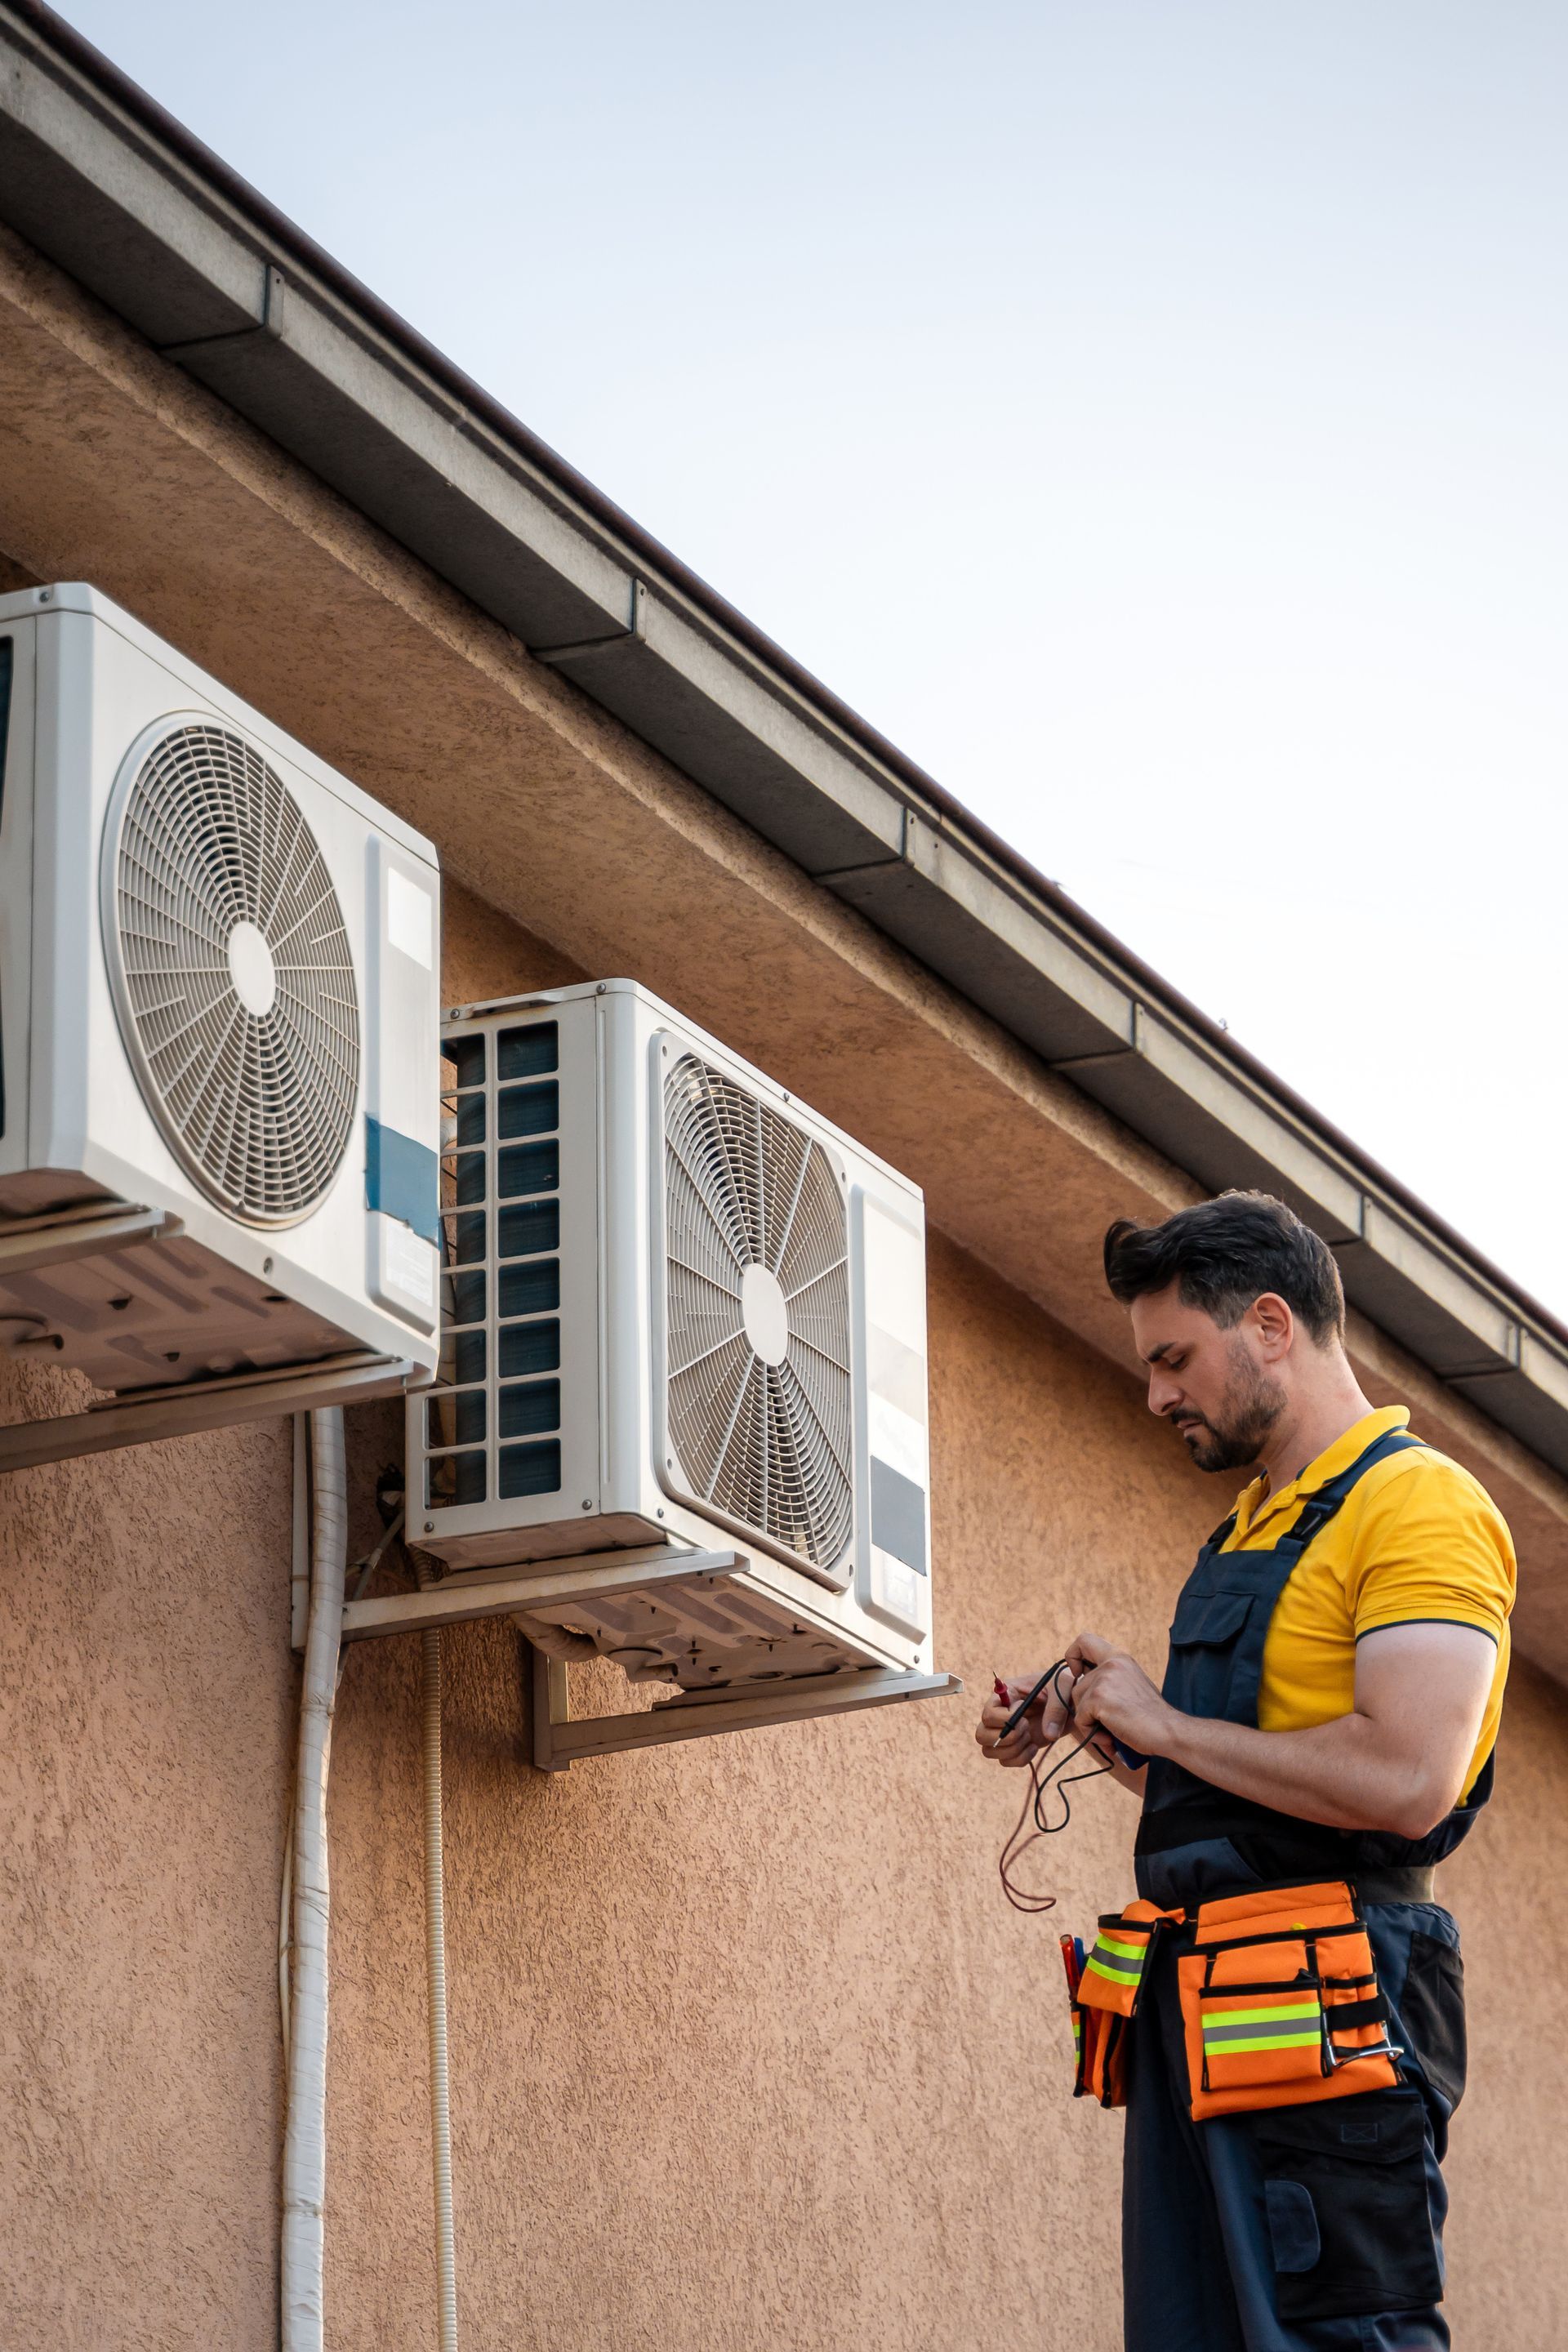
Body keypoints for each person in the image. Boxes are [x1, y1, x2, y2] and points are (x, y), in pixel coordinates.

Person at [977, 1191, 1514, 2352]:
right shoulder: (1249, 1529)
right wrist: (1099, 1726)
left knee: (1336, 2336)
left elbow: (1407, 1778)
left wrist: (1165, 1727)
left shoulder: (1417, 1504)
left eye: (1174, 1357)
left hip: (1336, 1991)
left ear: (1270, 1324)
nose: (1157, 1393)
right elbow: (1245, 1798)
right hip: (1208, 2001)